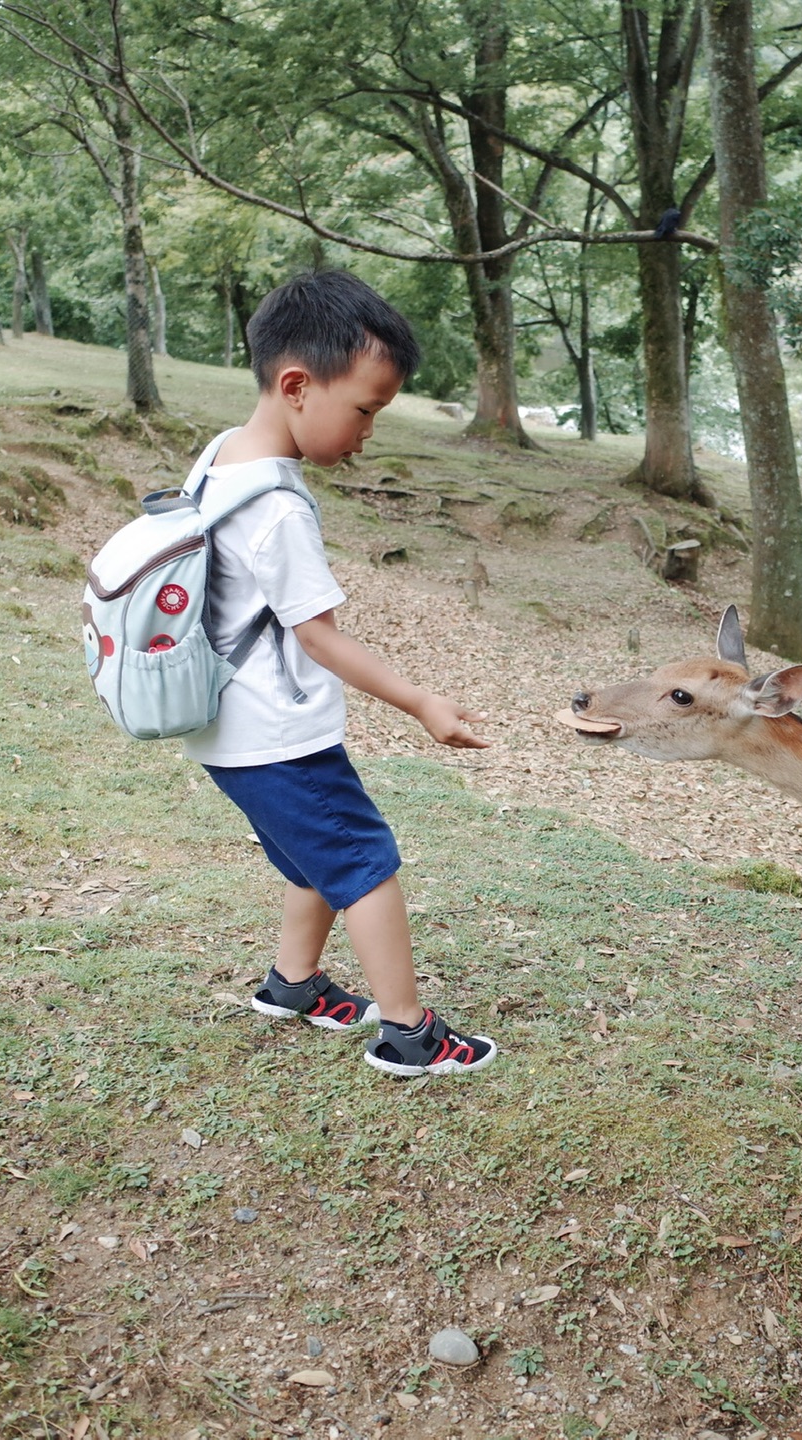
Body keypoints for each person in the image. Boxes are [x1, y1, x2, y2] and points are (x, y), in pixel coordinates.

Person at [188, 269, 497, 1078]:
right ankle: (410, 1032)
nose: (368, 433)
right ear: (297, 385)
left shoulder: (221, 458)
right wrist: (421, 700)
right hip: (275, 731)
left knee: (312, 858)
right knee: (365, 863)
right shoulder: (277, 508)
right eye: (364, 410)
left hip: (229, 726)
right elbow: (320, 639)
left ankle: (293, 984)